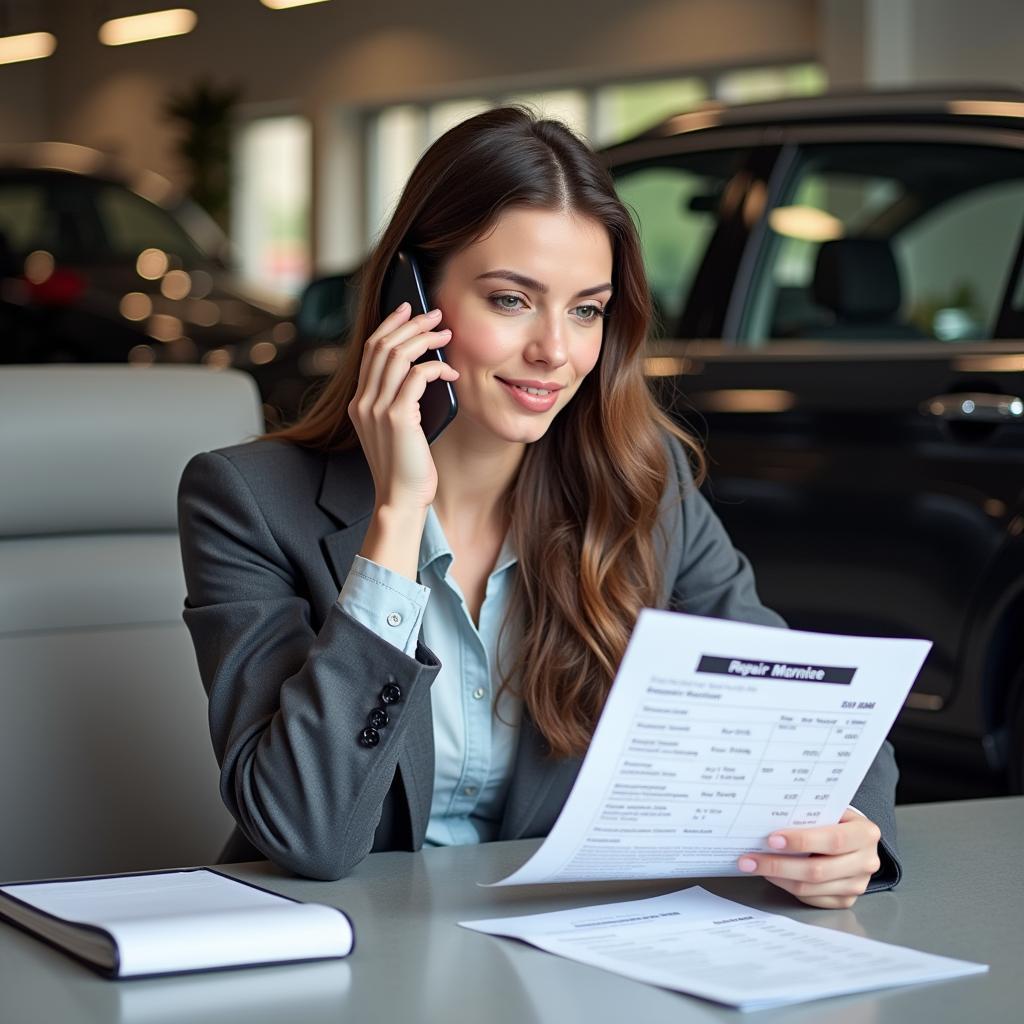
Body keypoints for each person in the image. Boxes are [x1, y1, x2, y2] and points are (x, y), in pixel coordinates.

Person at [178, 107, 897, 907]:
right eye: (512, 300)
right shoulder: (250, 500)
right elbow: (305, 831)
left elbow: (807, 707)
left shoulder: (641, 481)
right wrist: (397, 519)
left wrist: (853, 828)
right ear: (406, 299)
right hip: (350, 951)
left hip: (560, 952)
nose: (556, 351)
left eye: (586, 309)